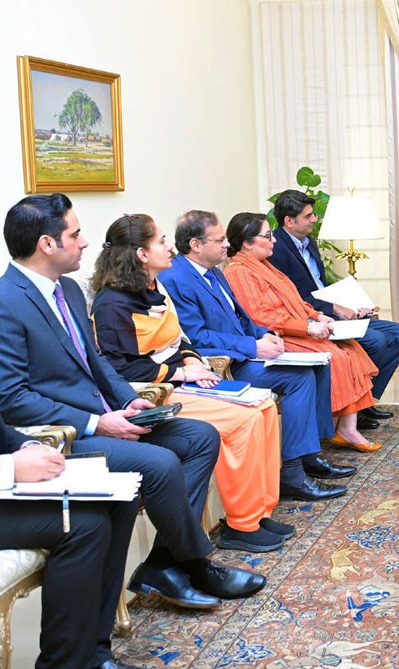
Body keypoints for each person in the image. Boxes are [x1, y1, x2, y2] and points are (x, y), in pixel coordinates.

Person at [0, 194, 264, 612]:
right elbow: (12, 399)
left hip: (108, 416)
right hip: (65, 435)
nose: (85, 243)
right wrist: (97, 423)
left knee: (200, 437)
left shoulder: (67, 290)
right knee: (160, 462)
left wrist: (130, 401)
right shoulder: (1, 302)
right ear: (47, 244)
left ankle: (163, 563)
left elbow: (98, 364)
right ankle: (196, 564)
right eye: (76, 234)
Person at [0, 215, 140, 669]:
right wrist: (10, 469)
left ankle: (94, 648)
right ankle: (65, 663)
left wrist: (23, 447)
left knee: (116, 499)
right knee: (84, 523)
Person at [90, 214, 292, 553]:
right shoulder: (112, 303)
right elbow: (120, 368)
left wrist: (192, 360)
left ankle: (260, 511)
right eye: (161, 241)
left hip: (184, 381)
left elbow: (181, 340)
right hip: (153, 394)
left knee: (263, 407)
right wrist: (181, 374)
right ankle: (240, 525)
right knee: (242, 421)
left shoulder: (155, 288)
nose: (170, 247)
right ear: (142, 254)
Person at [159, 210, 357, 503]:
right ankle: (292, 475)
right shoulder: (176, 278)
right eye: (220, 240)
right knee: (299, 378)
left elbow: (241, 318)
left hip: (244, 352)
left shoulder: (213, 271)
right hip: (222, 363)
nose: (228, 244)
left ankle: (309, 456)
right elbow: (197, 337)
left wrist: (265, 334)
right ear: (195, 245)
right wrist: (253, 347)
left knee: (319, 365)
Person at [222, 212, 382, 452]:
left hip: (298, 326)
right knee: (337, 357)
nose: (274, 240)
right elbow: (261, 318)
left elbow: (295, 300)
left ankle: (345, 428)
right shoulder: (238, 272)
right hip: (278, 335)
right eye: (267, 236)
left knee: (352, 348)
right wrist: (307, 327)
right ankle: (335, 429)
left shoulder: (265, 265)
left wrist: (317, 316)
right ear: (247, 243)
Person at [267, 189, 399, 430]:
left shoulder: (308, 241)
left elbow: (319, 286)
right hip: (313, 318)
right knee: (375, 341)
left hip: (329, 309)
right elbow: (294, 298)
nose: (315, 219)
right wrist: (333, 308)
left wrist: (350, 304)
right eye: (308, 216)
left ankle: (365, 401)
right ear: (289, 221)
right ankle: (355, 407)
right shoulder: (276, 250)